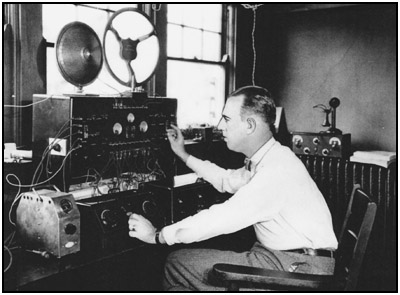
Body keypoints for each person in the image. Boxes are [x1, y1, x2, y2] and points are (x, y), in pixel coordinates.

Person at [128, 85, 338, 291]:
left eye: (227, 119)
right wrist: (184, 155)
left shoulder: (276, 170)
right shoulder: (273, 157)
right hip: (287, 258)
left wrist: (157, 235)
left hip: (299, 271)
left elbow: (222, 217)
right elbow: (227, 179)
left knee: (176, 264)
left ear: (249, 125)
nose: (220, 126)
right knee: (182, 261)